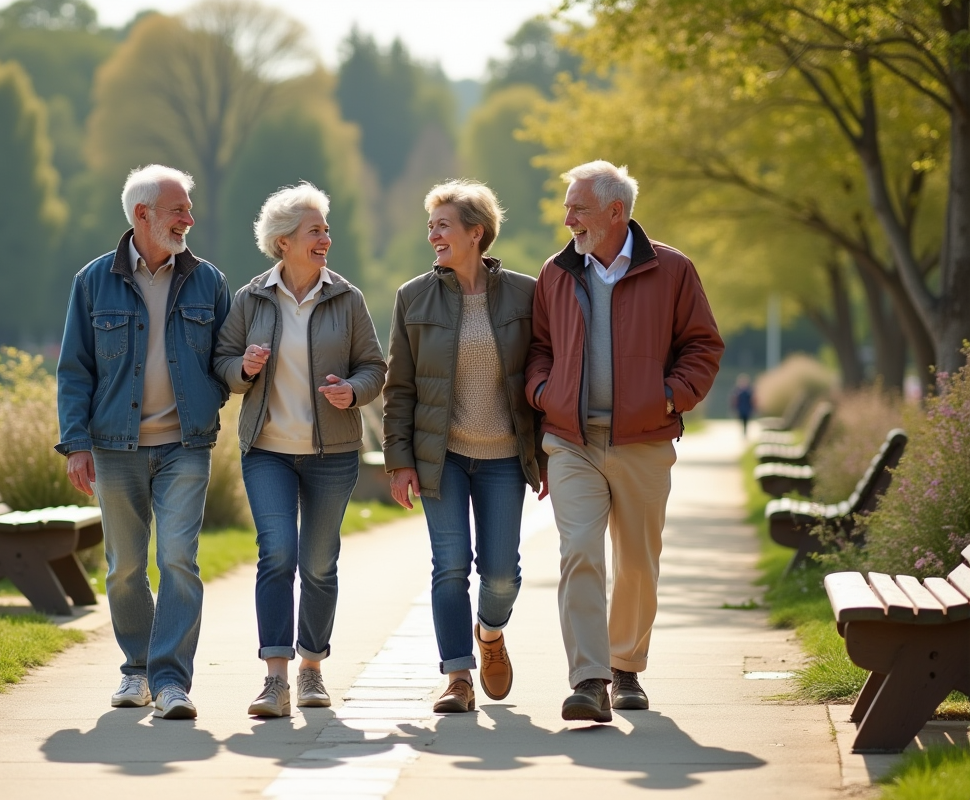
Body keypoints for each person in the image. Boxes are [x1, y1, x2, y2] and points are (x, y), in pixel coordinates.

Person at [525, 160, 723, 723]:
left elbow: (704, 346)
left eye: (577, 208)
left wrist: (669, 397)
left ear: (615, 212)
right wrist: (544, 391)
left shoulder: (673, 269)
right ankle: (588, 680)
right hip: (571, 443)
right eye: (568, 209)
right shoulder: (557, 272)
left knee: (637, 563)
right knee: (579, 553)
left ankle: (625, 665)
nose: (568, 219)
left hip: (643, 440)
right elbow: (540, 346)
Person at [56, 164, 231, 721]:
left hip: (185, 445)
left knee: (179, 559)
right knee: (125, 567)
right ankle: (137, 671)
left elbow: (224, 362)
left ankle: (172, 681)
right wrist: (76, 442)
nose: (189, 219)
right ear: (142, 215)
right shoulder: (93, 281)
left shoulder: (208, 281)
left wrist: (217, 390)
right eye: (178, 210)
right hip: (114, 447)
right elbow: (74, 371)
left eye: (188, 209)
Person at [213, 183, 386, 718]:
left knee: (318, 562)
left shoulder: (347, 298)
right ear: (283, 241)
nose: (325, 239)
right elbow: (221, 360)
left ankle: (312, 668)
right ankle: (275, 678)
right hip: (266, 449)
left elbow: (375, 368)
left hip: (332, 454)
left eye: (326, 230)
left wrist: (352, 391)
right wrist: (243, 368)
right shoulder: (251, 298)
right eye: (315, 230)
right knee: (277, 554)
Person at [383, 180, 541, 714]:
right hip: (441, 457)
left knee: (501, 574)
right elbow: (399, 387)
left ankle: (490, 633)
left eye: (443, 225)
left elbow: (545, 372)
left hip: (503, 458)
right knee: (449, 565)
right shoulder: (413, 297)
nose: (433, 235)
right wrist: (399, 460)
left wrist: (546, 454)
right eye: (431, 226)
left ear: (476, 232)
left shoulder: (526, 294)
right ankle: (457, 677)